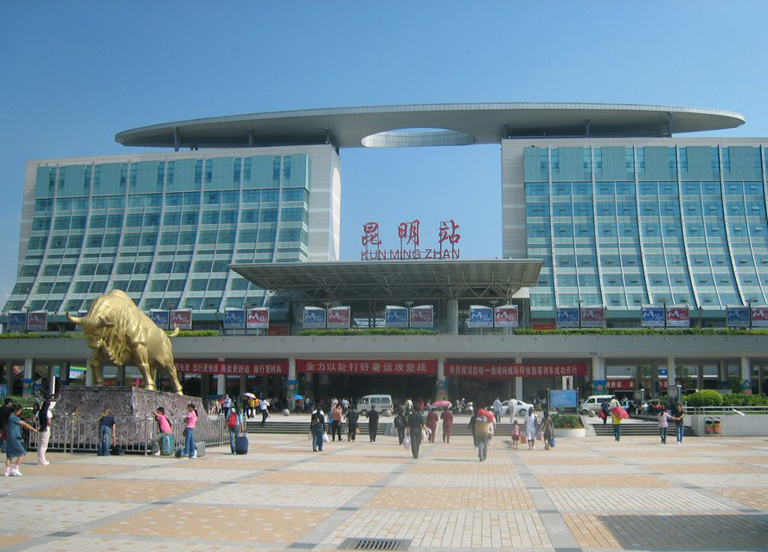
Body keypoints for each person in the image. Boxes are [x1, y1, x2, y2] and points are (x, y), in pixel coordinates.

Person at [4, 404, 37, 476]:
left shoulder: (9, 417)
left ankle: (7, 471)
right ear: (16, 410)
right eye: (19, 411)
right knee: (22, 453)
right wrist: (33, 429)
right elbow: (24, 424)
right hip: (14, 437)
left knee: (9, 455)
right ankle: (15, 468)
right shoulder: (13, 417)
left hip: (9, 437)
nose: (20, 412)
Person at [37, 399, 53, 465]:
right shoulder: (48, 412)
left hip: (40, 428)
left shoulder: (39, 411)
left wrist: (39, 424)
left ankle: (40, 460)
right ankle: (42, 460)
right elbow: (49, 421)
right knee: (44, 445)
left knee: (40, 445)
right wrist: (49, 425)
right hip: (46, 429)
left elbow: (34, 418)